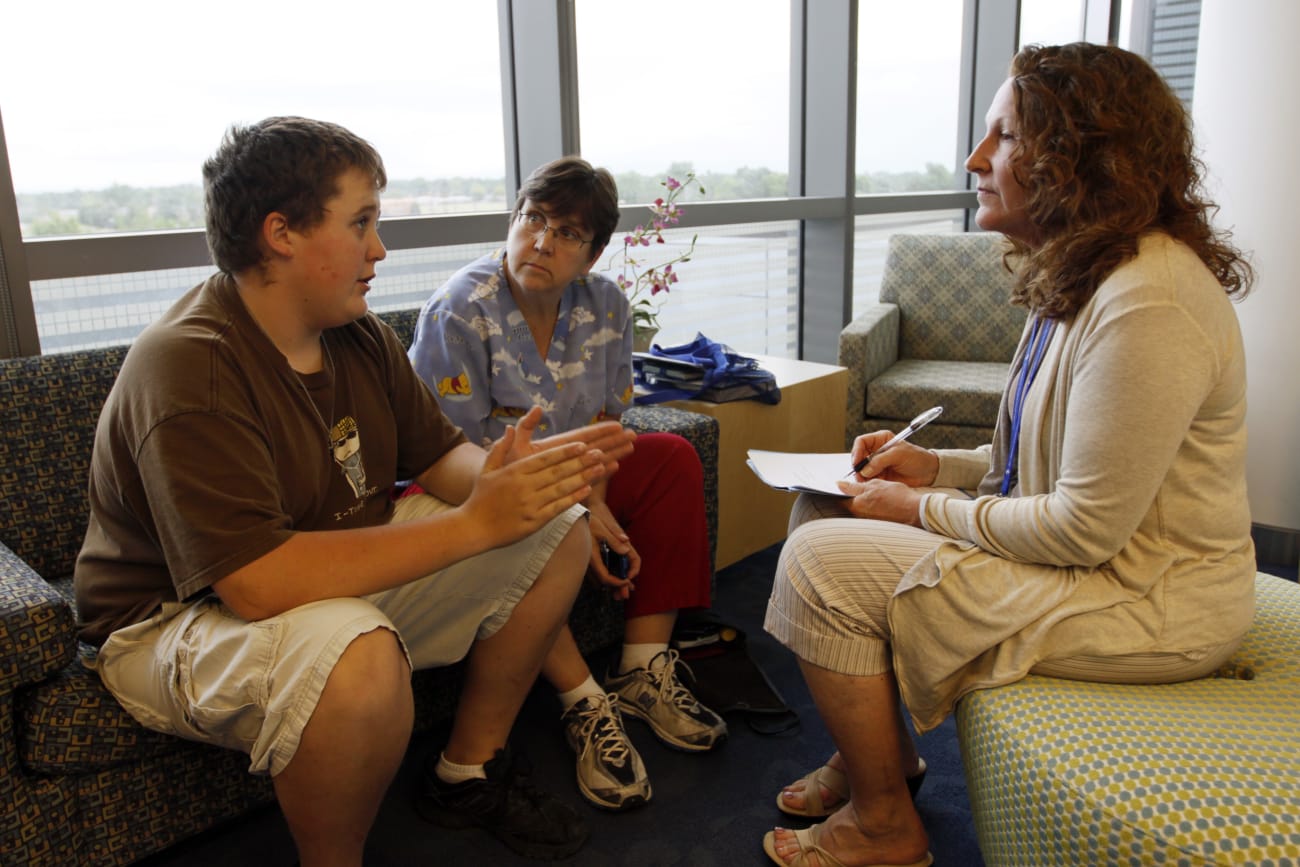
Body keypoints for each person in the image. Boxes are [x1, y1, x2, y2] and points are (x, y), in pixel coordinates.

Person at [72, 116, 639, 866]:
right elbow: (255, 582)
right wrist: (475, 524)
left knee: (554, 525)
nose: (379, 248)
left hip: (317, 574)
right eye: (362, 222)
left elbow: (443, 461)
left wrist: (512, 475)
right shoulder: (189, 366)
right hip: (174, 619)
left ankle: (466, 771)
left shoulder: (357, 333)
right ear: (282, 234)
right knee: (359, 656)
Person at [761, 42, 1255, 867]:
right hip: (1098, 560)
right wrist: (931, 469)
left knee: (820, 564)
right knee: (822, 504)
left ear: (1079, 156)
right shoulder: (1080, 270)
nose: (975, 159)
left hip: (1150, 597)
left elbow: (1082, 529)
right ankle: (881, 757)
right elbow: (1037, 457)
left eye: (1005, 137)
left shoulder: (1149, 305)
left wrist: (919, 508)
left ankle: (886, 825)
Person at [407, 156, 726, 812]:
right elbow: (448, 459)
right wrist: (578, 511)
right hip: (479, 487)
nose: (543, 242)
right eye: (534, 220)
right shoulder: (458, 311)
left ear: (594, 252)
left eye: (568, 234)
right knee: (546, 521)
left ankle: (641, 667)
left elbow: (609, 420)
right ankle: (584, 699)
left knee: (670, 459)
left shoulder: (604, 301)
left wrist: (598, 499)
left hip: (578, 477)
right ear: (515, 221)